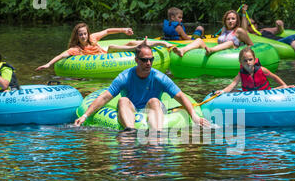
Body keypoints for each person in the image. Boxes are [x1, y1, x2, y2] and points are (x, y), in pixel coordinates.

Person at [74, 42, 210, 131]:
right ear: (136, 60)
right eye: (144, 60)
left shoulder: (159, 77)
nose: (148, 63)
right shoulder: (125, 76)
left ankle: (156, 136)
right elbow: (105, 97)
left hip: (154, 109)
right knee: (122, 100)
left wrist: (194, 116)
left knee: (154, 101)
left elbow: (180, 95)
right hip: (133, 109)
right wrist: (85, 115)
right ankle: (130, 131)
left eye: (151, 59)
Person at [35, 23, 177, 71]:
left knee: (128, 42)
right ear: (77, 36)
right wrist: (48, 64)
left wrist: (123, 30)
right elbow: (62, 55)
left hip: (108, 53)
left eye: (84, 33)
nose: (84, 37)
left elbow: (108, 31)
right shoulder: (76, 49)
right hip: (103, 59)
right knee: (113, 47)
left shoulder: (93, 38)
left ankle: (161, 43)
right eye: (81, 35)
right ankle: (140, 47)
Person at [215, 47, 295, 95]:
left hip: (265, 92)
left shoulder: (262, 70)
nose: (248, 62)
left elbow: (274, 77)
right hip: (248, 94)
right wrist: (222, 91)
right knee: (231, 91)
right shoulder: (241, 74)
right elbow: (232, 85)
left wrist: (285, 85)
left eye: (250, 60)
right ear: (240, 62)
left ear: (254, 60)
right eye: (245, 61)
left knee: (284, 87)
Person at [173, 10, 254, 57]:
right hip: (218, 52)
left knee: (229, 42)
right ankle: (182, 50)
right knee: (198, 40)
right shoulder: (224, 29)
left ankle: (211, 50)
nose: (230, 21)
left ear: (237, 20)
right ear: (225, 21)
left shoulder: (239, 31)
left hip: (232, 52)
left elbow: (250, 44)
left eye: (233, 19)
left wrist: (243, 51)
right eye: (228, 19)